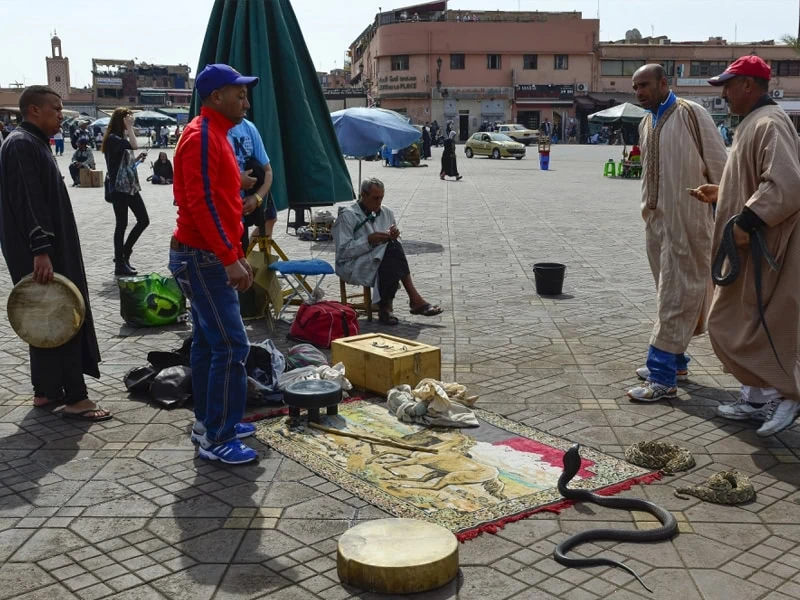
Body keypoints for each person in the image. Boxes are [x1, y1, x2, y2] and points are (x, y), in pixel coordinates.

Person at [691, 56, 800, 436]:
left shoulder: (769, 122)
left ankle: (786, 394)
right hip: (748, 248)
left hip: (764, 250)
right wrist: (723, 193)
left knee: (751, 325)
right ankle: (755, 398)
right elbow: (755, 181)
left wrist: (746, 221)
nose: (724, 94)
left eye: (728, 85)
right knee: (737, 322)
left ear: (749, 85)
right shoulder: (754, 122)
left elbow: (786, 184)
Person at [0, 85, 109, 421]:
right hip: (43, 252)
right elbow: (28, 200)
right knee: (63, 315)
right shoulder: (21, 144)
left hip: (43, 250)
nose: (62, 115)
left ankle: (46, 390)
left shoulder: (30, 142)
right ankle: (76, 398)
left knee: (44, 316)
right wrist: (41, 248)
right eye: (56, 109)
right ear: (34, 110)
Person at [171, 63, 258, 464]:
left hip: (207, 253)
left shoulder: (215, 134)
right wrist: (228, 258)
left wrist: (235, 253)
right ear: (216, 97)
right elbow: (200, 202)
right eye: (239, 95)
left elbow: (220, 202)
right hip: (202, 256)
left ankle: (210, 422)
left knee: (209, 341)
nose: (246, 102)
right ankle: (218, 437)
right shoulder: (203, 136)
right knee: (231, 343)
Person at [626, 63, 728, 402]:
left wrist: (728, 215)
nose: (639, 92)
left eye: (645, 85)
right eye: (635, 87)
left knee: (675, 296)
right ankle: (678, 362)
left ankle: (662, 376)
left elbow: (722, 169)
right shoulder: (645, 122)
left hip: (689, 223)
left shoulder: (691, 114)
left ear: (663, 83)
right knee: (668, 294)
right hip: (656, 224)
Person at [333, 178, 443, 325]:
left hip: (382, 258)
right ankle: (409, 301)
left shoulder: (386, 212)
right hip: (353, 263)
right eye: (375, 198)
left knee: (392, 249)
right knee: (391, 253)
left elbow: (396, 242)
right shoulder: (348, 215)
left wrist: (394, 235)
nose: (379, 202)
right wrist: (368, 240)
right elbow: (343, 251)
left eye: (381, 198)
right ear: (363, 195)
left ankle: (387, 307)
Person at [101, 108, 150, 276]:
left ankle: (124, 252)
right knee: (121, 224)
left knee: (143, 220)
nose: (132, 121)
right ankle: (120, 263)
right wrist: (129, 128)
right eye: (129, 118)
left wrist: (137, 159)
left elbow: (125, 163)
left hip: (129, 186)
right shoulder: (113, 139)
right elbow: (134, 145)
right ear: (121, 120)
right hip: (119, 188)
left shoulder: (119, 139)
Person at [228, 116, 275, 248]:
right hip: (218, 222)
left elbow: (268, 171)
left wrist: (257, 198)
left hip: (241, 219)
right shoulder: (207, 132)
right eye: (240, 97)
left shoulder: (249, 128)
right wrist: (236, 181)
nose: (246, 106)